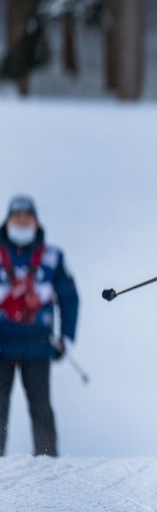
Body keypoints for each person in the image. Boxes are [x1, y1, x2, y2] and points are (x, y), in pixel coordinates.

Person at [0, 195, 79, 456]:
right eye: (17, 217)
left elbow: (69, 298)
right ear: (8, 221)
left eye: (27, 217)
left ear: (36, 222)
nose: (22, 221)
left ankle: (48, 468)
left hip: (38, 348)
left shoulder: (53, 257)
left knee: (41, 409)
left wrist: (66, 337)